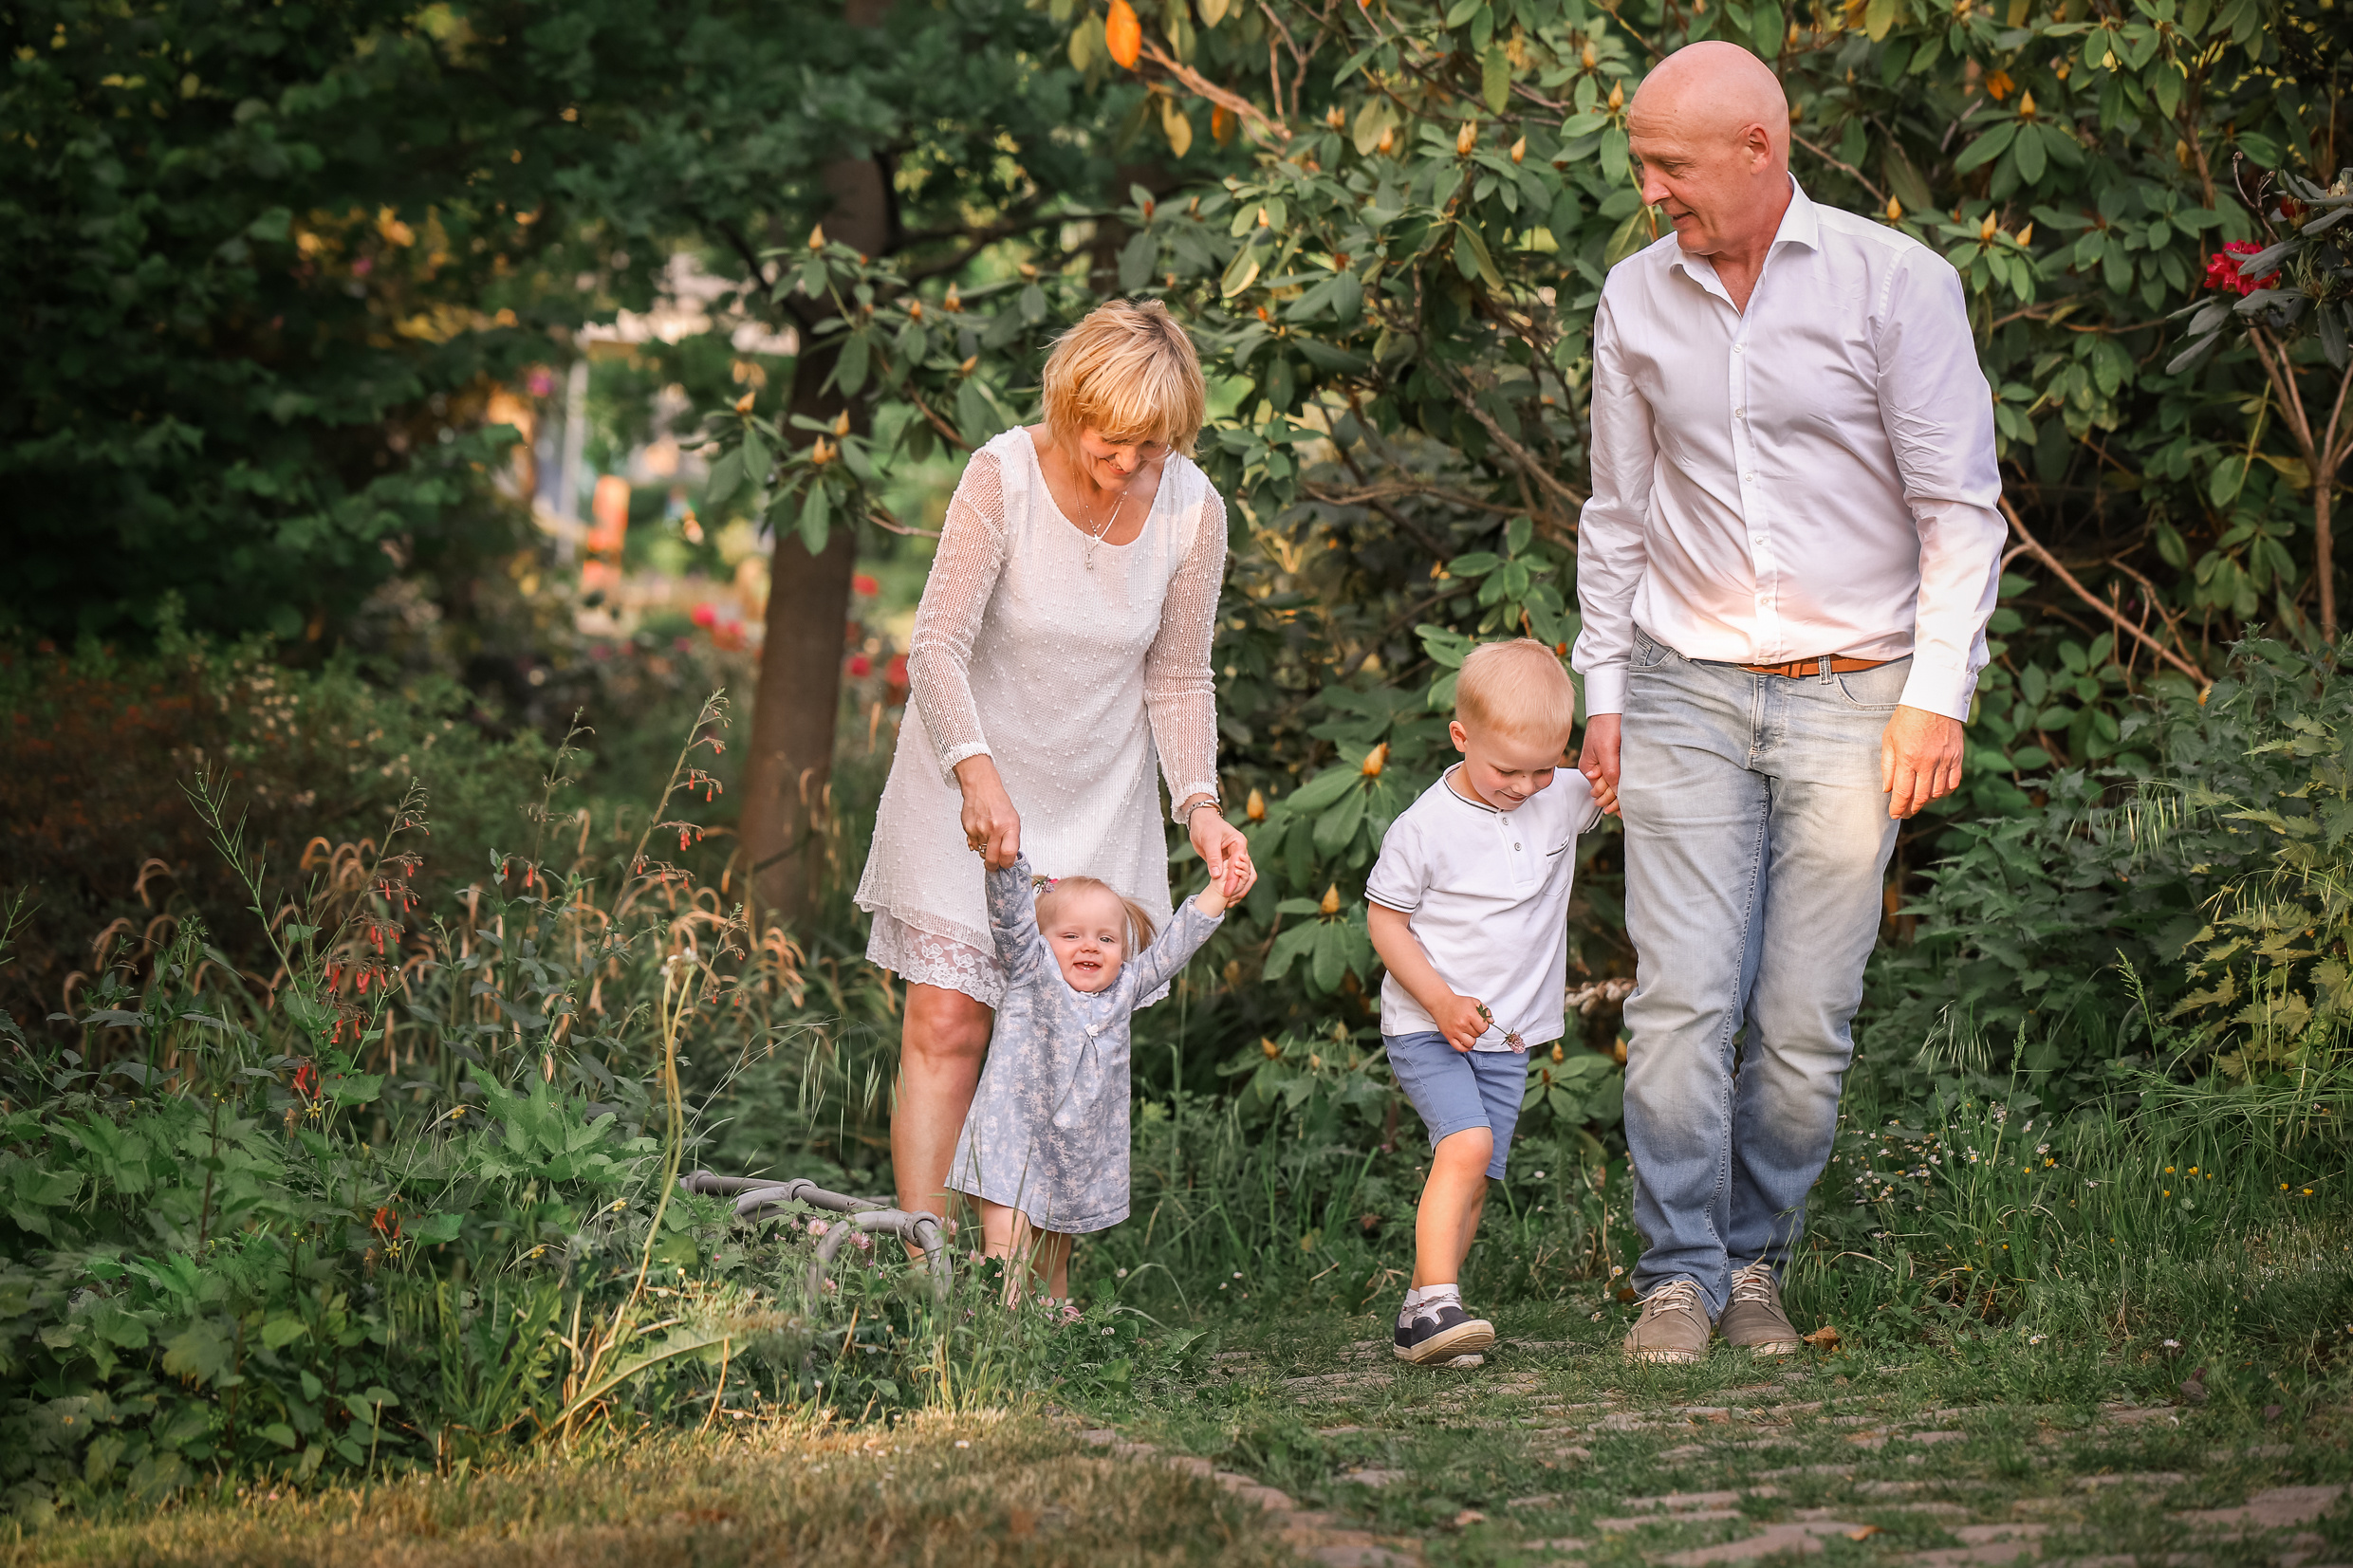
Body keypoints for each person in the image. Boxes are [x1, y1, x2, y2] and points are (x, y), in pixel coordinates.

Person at [1570, 42, 2005, 1362]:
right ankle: (1677, 1276)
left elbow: (1959, 512)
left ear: (1761, 147)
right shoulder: (1635, 301)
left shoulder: (1895, 285)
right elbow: (1615, 511)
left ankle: (1756, 1266)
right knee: (1681, 1002)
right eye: (1641, 164)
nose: (1649, 192)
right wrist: (1604, 695)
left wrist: (1938, 698)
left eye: (1671, 166)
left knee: (1805, 1023)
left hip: (1854, 694)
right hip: (1683, 685)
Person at [854, 300, 1253, 1228]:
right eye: (1112, 443)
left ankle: (1024, 1297)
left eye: (1152, 449)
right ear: (1070, 410)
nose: (1128, 468)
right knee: (947, 1028)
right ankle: (933, 1282)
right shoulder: (1001, 477)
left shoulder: (1194, 511)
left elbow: (1179, 675)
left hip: (1096, 804)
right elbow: (936, 647)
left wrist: (1199, 806)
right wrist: (975, 772)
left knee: (1060, 1048)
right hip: (970, 780)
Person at [1365, 640, 1609, 1365]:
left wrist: (1618, 783)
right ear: (1461, 738)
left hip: (1509, 1034)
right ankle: (1441, 1300)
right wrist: (1438, 1001)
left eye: (1544, 766)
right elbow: (1384, 921)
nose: (1525, 785)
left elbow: (1611, 784)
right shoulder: (1424, 827)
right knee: (1465, 1147)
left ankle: (1421, 1319)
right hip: (1429, 1023)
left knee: (1474, 1179)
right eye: (1506, 768)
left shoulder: (1557, 794)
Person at [951, 851, 1252, 1306]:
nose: (1090, 946)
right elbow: (1011, 921)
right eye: (1071, 935)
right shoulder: (1032, 972)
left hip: (1072, 1153)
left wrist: (1218, 892)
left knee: (1055, 1251)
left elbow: (1173, 950)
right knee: (1008, 1247)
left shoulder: (1124, 989)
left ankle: (1054, 1323)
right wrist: (1006, 861)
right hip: (1009, 1140)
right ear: (1041, 940)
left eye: (1106, 938)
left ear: (1123, 951)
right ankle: (1001, 1338)